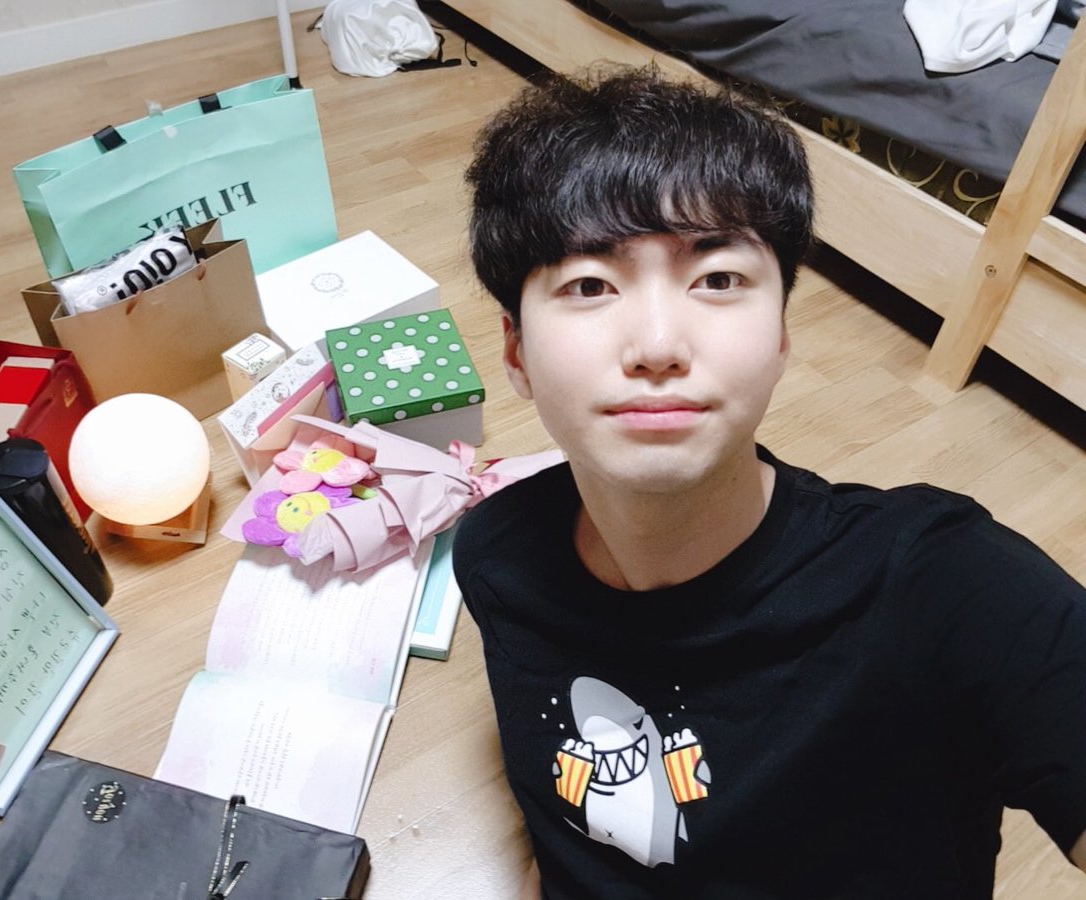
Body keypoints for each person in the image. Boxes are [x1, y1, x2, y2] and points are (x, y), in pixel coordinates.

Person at [452, 66, 1086, 899]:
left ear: (783, 333)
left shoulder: (948, 591)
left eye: (718, 279)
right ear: (515, 353)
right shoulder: (494, 556)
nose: (657, 345)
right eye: (589, 284)